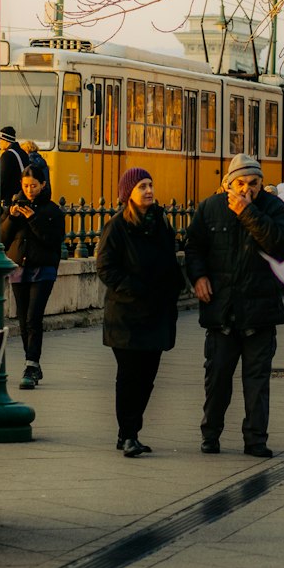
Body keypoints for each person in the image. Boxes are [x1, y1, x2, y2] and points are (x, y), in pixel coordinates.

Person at [184, 153, 284, 458]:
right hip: (222, 310)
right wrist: (199, 277)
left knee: (256, 383)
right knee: (217, 378)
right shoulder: (210, 209)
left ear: (262, 183)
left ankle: (255, 439)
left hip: (260, 312)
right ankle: (211, 434)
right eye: (241, 183)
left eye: (254, 183)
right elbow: (193, 247)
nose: (247, 189)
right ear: (227, 184)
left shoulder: (274, 209)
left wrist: (248, 212)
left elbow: (279, 243)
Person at [95, 167, 185, 458]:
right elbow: (105, 267)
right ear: (128, 194)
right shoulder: (117, 226)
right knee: (129, 376)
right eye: (141, 186)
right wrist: (134, 287)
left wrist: (175, 286)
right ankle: (129, 433)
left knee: (147, 378)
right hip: (126, 315)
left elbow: (170, 261)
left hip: (157, 312)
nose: (148, 190)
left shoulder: (161, 223)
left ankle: (129, 432)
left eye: (150, 184)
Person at [0, 162, 65, 390]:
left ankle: (31, 364)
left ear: (43, 184)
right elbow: (2, 239)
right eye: (26, 186)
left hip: (43, 269)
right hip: (19, 269)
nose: (29, 190)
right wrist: (11, 217)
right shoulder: (13, 207)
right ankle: (33, 363)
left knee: (33, 317)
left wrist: (32, 218)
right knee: (22, 318)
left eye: (34, 186)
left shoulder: (52, 210)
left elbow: (53, 240)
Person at [0, 124, 48, 207]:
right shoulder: (23, 153)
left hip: (11, 200)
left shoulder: (7, 155)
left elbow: (2, 180)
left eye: (0, 140)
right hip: (23, 198)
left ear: (4, 140)